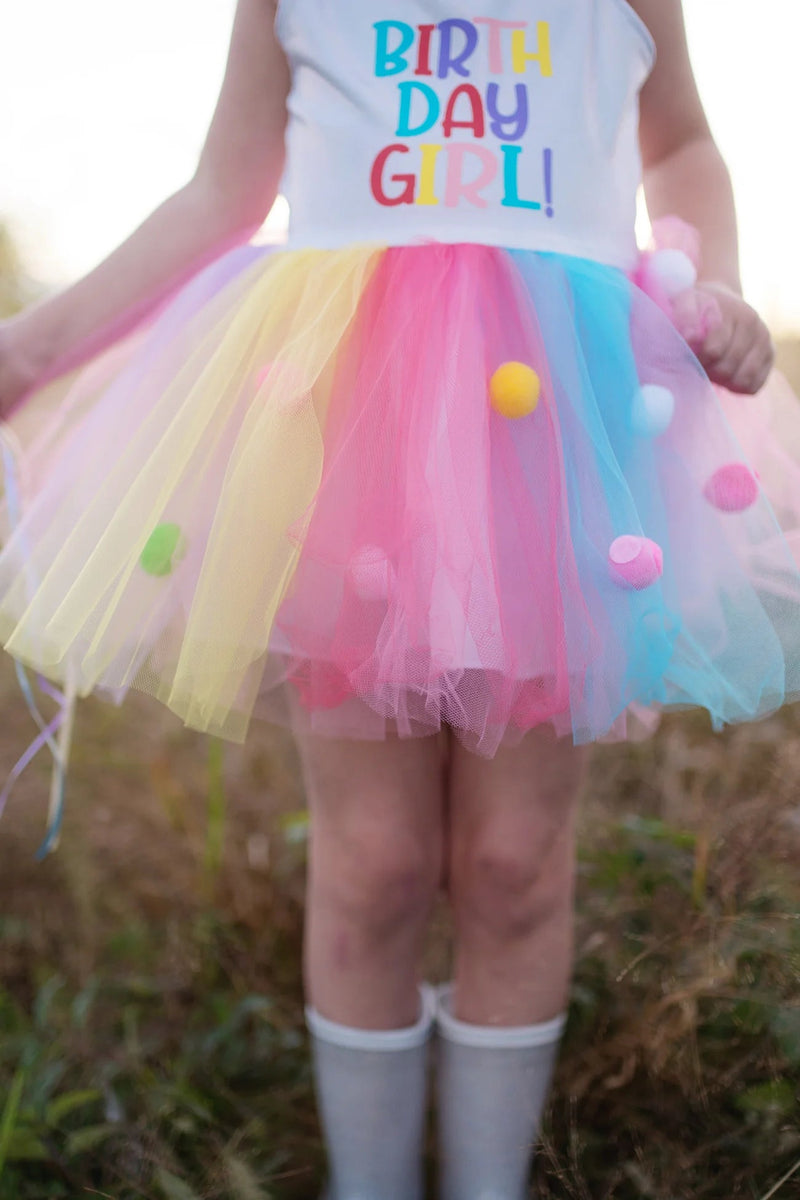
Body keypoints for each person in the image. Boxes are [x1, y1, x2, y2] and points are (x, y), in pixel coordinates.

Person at [0, 2, 797, 1197]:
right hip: (347, 435)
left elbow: (680, 142)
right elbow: (221, 190)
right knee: (372, 859)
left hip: (554, 442)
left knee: (514, 857)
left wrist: (719, 286)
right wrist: (28, 351)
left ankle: (485, 1184)